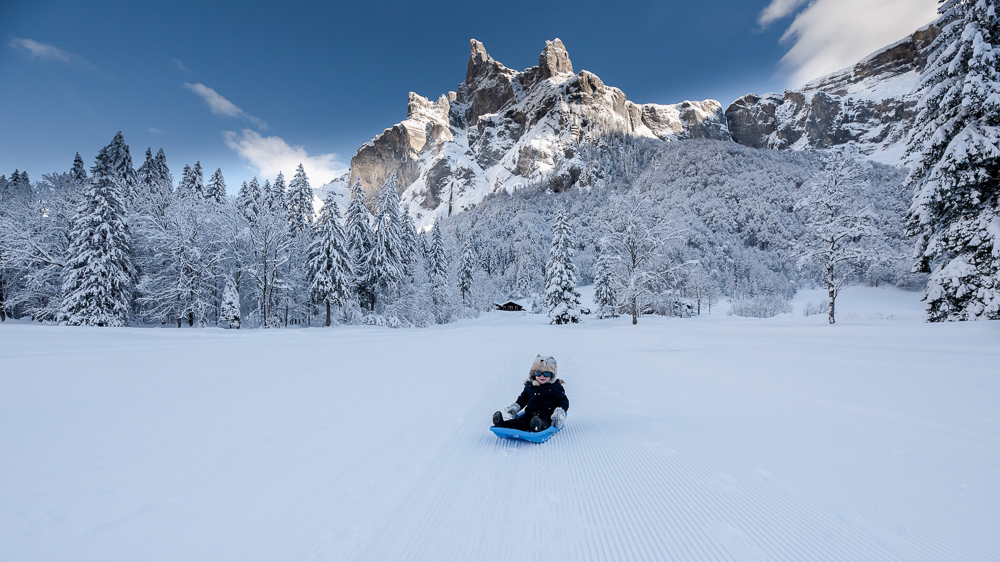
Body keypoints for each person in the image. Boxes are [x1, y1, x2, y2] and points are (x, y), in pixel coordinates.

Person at [492, 355, 569, 432]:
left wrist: (559, 411)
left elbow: (563, 401)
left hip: (547, 415)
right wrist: (516, 407)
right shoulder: (530, 386)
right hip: (529, 415)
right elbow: (523, 399)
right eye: (538, 373)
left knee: (544, 423)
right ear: (533, 374)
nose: (542, 376)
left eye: (546, 374)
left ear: (552, 376)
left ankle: (537, 427)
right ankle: (501, 424)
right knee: (519, 422)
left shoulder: (555, 387)